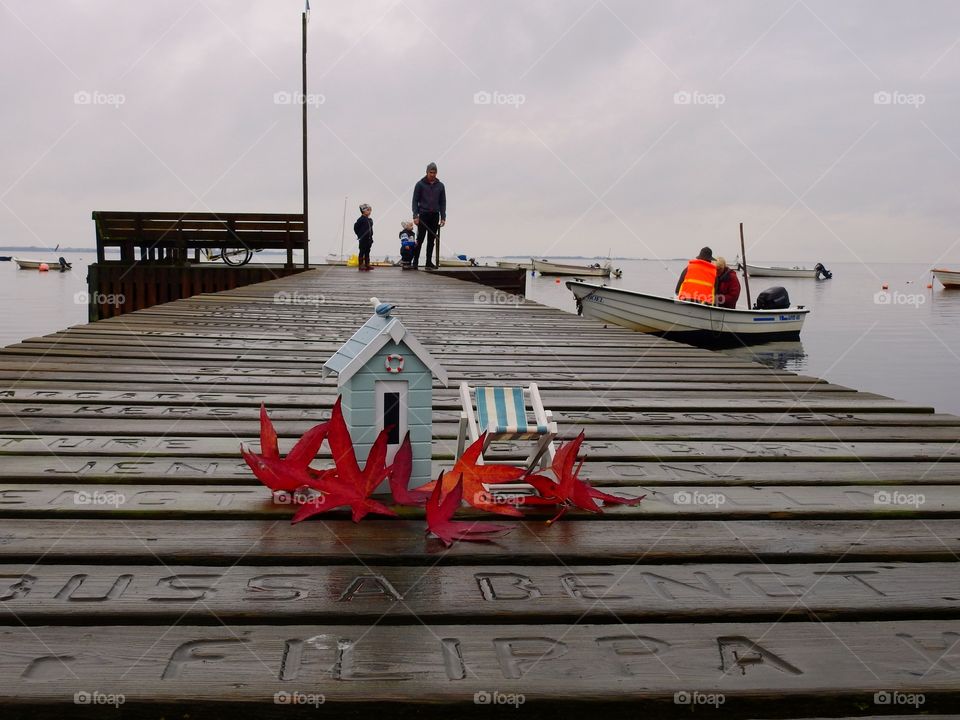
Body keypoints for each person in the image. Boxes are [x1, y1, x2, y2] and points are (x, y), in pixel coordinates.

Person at [411, 162, 446, 269]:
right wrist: (415, 216)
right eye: (431, 172)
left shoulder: (440, 185)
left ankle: (428, 262)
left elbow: (443, 202)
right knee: (420, 239)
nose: (432, 174)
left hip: (435, 215)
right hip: (423, 215)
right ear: (427, 172)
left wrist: (443, 217)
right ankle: (415, 261)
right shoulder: (420, 184)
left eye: (434, 172)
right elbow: (415, 201)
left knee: (431, 240)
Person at [354, 203, 374, 271]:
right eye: (368, 210)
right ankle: (361, 265)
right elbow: (356, 227)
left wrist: (371, 238)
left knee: (367, 252)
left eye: (370, 210)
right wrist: (359, 235)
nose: (369, 212)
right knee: (362, 251)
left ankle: (367, 264)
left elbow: (371, 230)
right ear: (363, 211)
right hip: (363, 239)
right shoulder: (361, 219)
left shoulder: (370, 220)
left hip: (369, 239)